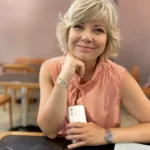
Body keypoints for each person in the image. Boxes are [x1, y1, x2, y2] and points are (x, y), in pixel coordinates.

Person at [37, 0, 150, 149]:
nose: (86, 37)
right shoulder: (49, 68)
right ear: (67, 31)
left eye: (98, 30)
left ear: (108, 39)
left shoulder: (119, 76)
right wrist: (64, 77)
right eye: (78, 26)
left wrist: (105, 135)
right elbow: (49, 131)